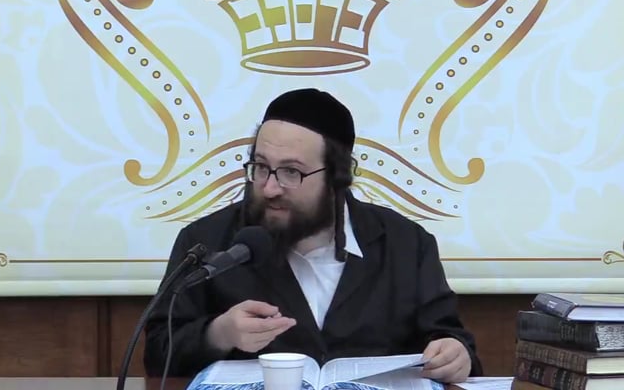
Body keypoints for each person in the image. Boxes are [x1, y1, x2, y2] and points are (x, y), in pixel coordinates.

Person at [144, 88, 483, 383]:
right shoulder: (206, 242)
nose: (270, 187)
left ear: (338, 177)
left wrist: (455, 355)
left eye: (291, 172)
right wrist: (219, 334)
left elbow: (450, 340)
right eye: (261, 167)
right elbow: (157, 354)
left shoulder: (407, 244)